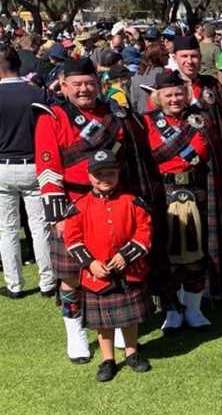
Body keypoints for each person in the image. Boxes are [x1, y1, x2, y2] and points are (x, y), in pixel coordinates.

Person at [35, 57, 159, 364]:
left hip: (114, 202)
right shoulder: (52, 116)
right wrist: (59, 214)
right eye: (76, 84)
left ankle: (118, 324)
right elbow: (48, 169)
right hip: (73, 205)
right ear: (62, 85)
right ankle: (74, 330)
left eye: (90, 83)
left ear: (99, 84)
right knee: (72, 276)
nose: (84, 90)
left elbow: (128, 162)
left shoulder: (113, 114)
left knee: (115, 266)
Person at [144, 70, 222, 332]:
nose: (175, 99)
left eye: (179, 93)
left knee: (195, 255)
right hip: (164, 196)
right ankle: (172, 310)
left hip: (197, 191)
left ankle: (194, 309)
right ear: (158, 97)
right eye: (168, 94)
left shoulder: (199, 118)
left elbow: (210, 153)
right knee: (168, 258)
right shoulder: (147, 122)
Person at [64, 150, 153, 382]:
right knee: (103, 322)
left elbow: (145, 230)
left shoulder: (132, 201)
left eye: (110, 173)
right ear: (89, 176)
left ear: (118, 173)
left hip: (129, 270)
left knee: (129, 318)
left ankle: (132, 353)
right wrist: (90, 263)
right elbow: (72, 239)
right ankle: (108, 359)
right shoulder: (79, 206)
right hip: (97, 275)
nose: (105, 178)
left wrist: (127, 254)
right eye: (99, 173)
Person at [0, 43, 54, 298]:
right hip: (34, 164)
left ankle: (15, 284)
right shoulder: (36, 92)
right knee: (39, 226)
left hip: (4, 167)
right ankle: (47, 282)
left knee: (8, 229)